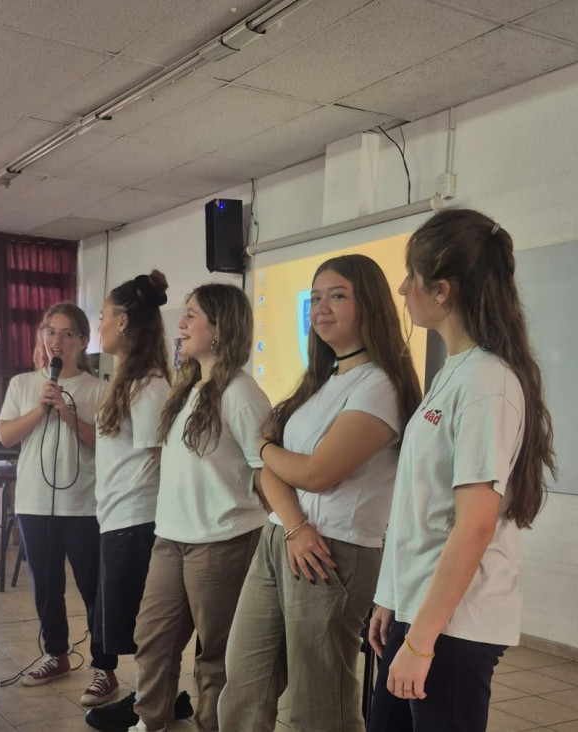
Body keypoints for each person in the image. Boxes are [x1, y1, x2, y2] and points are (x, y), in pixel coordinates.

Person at [367, 209, 556, 732]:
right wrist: (390, 597)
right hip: (422, 607)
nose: (403, 289)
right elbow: (416, 508)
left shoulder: (487, 383)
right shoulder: (457, 371)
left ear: (443, 290)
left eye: (411, 277)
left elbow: (474, 525)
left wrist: (422, 639)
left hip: (454, 624)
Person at [218, 255, 422, 732]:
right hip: (288, 538)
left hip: (333, 552)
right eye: (316, 297)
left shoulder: (380, 385)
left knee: (319, 700)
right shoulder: (322, 380)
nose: (321, 308)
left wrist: (264, 446)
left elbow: (315, 474)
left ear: (369, 304)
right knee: (245, 683)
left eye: (338, 295)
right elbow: (273, 474)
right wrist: (293, 525)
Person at [95, 283, 271, 732]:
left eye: (192, 315)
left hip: (222, 540)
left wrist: (288, 529)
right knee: (152, 639)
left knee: (215, 654)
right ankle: (148, 721)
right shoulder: (189, 387)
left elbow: (266, 469)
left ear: (220, 328)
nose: (181, 323)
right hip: (170, 538)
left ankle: (212, 725)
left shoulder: (241, 392)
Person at [0, 302, 118, 703]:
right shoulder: (22, 384)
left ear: (84, 341)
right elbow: (6, 437)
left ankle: (105, 668)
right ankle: (56, 654)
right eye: (50, 331)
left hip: (84, 504)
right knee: (46, 585)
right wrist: (41, 409)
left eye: (67, 333)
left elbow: (108, 445)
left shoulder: (100, 390)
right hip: (34, 503)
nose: (57, 341)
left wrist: (69, 415)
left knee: (92, 586)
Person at [81, 271, 171, 708]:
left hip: (138, 519)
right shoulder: (128, 381)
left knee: (139, 624)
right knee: (116, 618)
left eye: (102, 317)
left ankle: (151, 702)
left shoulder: (149, 386)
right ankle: (141, 698)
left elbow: (164, 462)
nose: (98, 326)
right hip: (116, 516)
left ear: (121, 323)